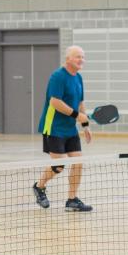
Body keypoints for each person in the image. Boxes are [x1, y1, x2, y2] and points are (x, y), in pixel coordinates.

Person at [31, 45, 95, 212]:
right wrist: (77, 116)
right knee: (59, 166)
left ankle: (72, 200)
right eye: (77, 56)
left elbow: (81, 103)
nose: (81, 59)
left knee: (78, 162)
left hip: (70, 129)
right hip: (53, 127)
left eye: (83, 56)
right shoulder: (58, 76)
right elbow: (55, 102)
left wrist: (85, 125)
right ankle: (39, 186)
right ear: (68, 59)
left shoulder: (79, 78)